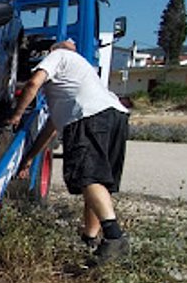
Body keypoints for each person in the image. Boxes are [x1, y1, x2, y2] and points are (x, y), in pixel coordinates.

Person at [8, 39, 131, 263]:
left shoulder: (59, 56)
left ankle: (115, 238)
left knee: (87, 176)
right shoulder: (74, 82)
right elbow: (50, 130)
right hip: (115, 116)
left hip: (88, 116)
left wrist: (16, 115)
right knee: (97, 183)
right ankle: (90, 240)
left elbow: (33, 84)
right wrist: (29, 159)